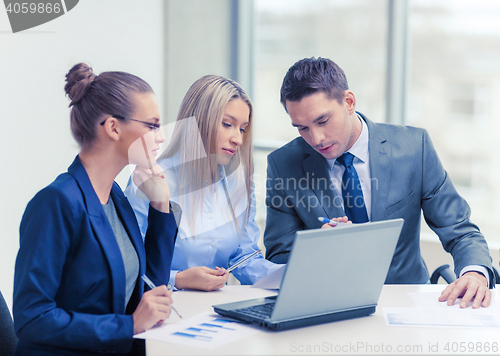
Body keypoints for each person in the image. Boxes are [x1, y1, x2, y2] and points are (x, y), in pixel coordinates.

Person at [264, 57, 494, 309]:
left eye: (323, 121)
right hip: (329, 307)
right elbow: (278, 257)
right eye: (302, 128)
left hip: (407, 304)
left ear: (349, 102)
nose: (316, 138)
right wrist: (318, 252)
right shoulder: (283, 164)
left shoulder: (414, 147)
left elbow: (460, 230)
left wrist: (475, 274)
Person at [13, 63, 179, 355]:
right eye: (152, 125)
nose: (161, 136)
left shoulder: (114, 197)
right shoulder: (56, 203)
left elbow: (151, 289)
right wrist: (129, 326)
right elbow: (32, 318)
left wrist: (160, 205)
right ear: (114, 127)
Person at [126, 75, 281, 291]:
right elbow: (129, 268)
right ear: (198, 122)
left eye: (243, 129)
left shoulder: (239, 185)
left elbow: (246, 258)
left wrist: (292, 273)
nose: (238, 138)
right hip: (163, 309)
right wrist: (178, 279)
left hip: (216, 312)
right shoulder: (149, 182)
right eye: (228, 124)